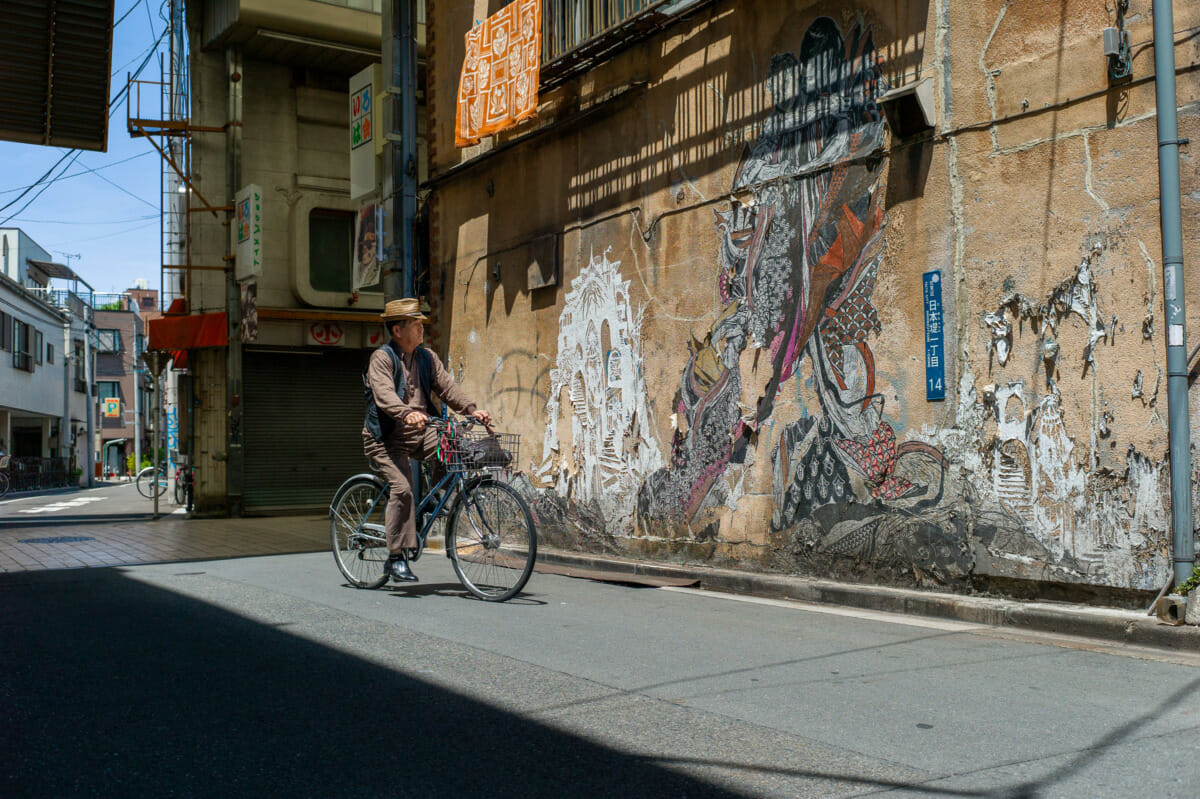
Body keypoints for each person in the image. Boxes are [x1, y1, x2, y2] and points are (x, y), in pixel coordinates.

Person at [363, 298, 491, 582]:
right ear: (397, 330)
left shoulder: (426, 358)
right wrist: (406, 412)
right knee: (403, 490)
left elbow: (447, 388)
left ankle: (434, 498)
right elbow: (384, 396)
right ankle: (395, 558)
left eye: (422, 325)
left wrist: (472, 409)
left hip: (420, 434)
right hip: (385, 437)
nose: (422, 330)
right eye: (416, 325)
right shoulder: (382, 359)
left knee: (453, 438)